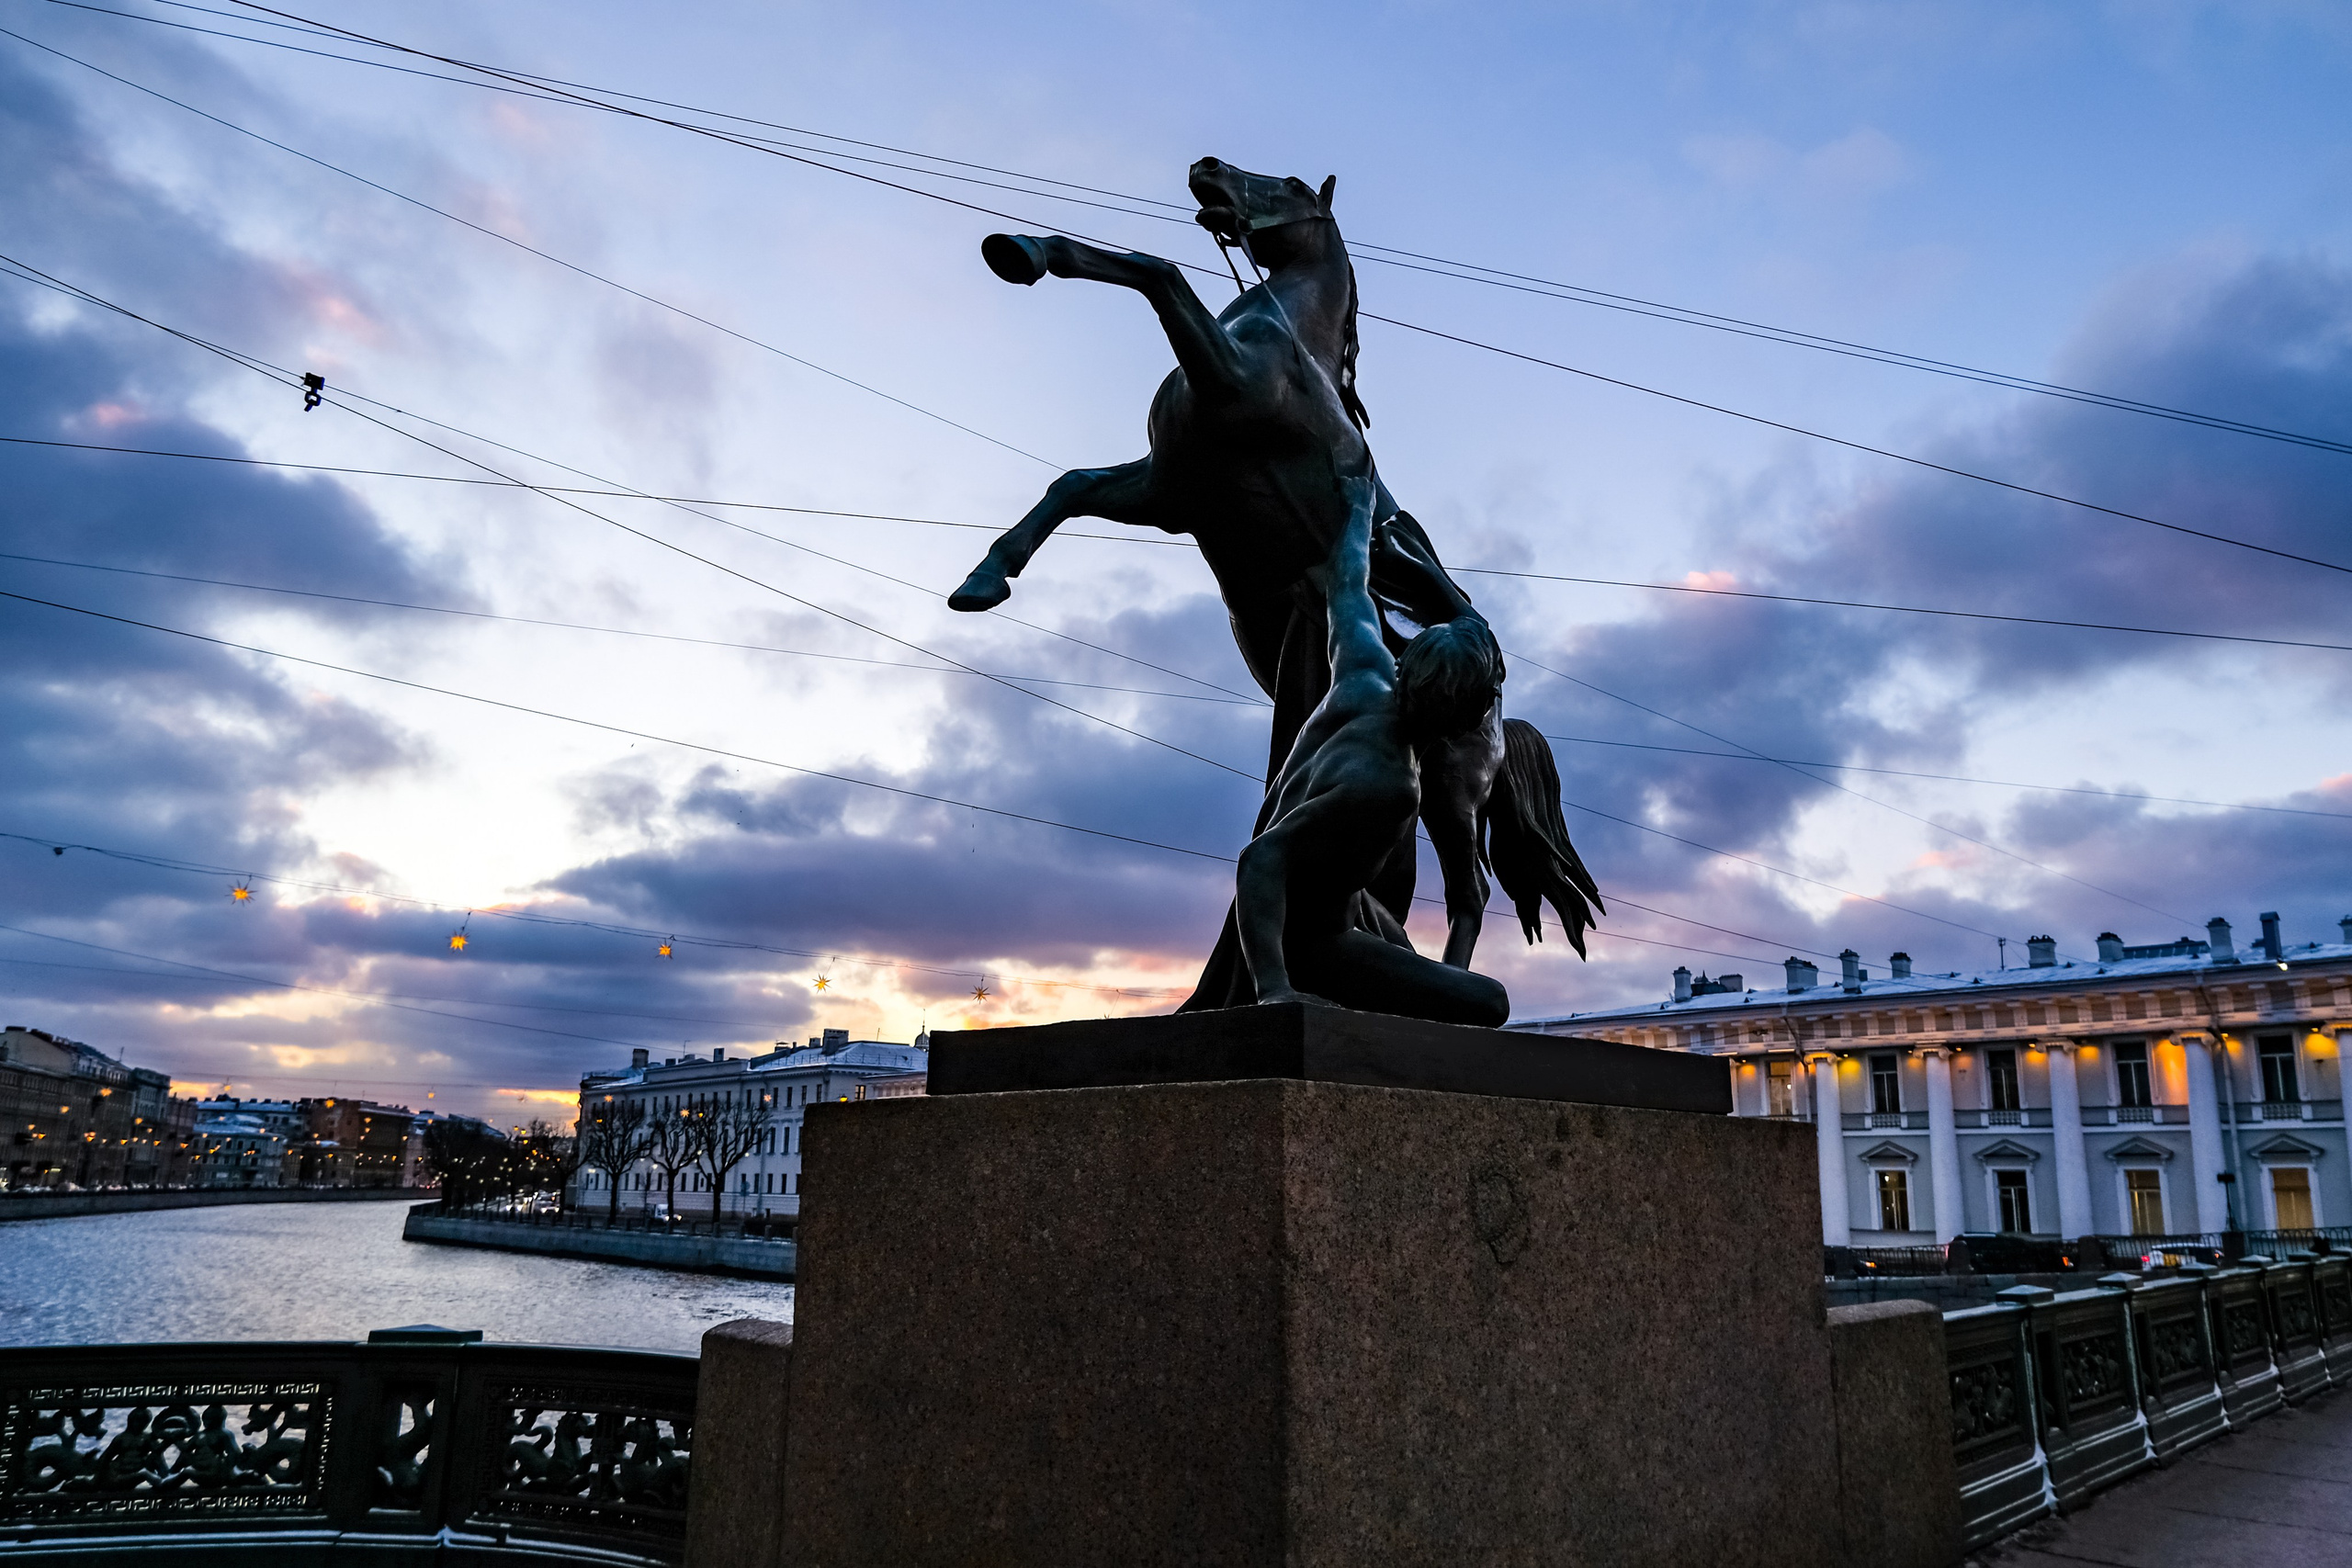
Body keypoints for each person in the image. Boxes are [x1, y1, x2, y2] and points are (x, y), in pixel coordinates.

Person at [1235, 469, 1510, 1026]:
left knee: (1398, 946)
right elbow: (1261, 857)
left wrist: (1359, 510)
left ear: (1408, 661)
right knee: (1489, 1001)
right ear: (1466, 720)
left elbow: (1347, 582)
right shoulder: (1387, 786)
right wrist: (1276, 991)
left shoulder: (1365, 671)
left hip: (1346, 910)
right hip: (1317, 942)